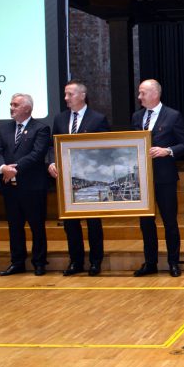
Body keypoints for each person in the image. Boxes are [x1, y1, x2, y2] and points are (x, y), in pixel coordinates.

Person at [48, 80, 110, 276]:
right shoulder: (60, 119)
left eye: (70, 94)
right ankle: (75, 262)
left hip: (89, 179)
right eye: (65, 94)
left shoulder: (98, 119)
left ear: (82, 96)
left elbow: (105, 149)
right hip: (66, 180)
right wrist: (52, 162)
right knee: (70, 224)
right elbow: (52, 146)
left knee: (93, 223)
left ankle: (95, 261)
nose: (66, 98)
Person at [132, 79, 184, 277]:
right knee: (146, 224)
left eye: (143, 93)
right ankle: (150, 263)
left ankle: (173, 262)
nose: (139, 97)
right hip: (142, 179)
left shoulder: (173, 115)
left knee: (169, 222)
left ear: (155, 94)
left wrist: (168, 151)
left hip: (165, 178)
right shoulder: (136, 117)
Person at [0, 93, 51, 276]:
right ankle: (17, 262)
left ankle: (39, 262)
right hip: (10, 186)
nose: (11, 108)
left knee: (36, 226)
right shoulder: (4, 129)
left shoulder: (41, 128)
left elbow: (37, 154)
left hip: (33, 186)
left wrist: (14, 169)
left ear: (27, 108)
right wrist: (3, 168)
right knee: (14, 226)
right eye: (11, 104)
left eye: (15, 105)